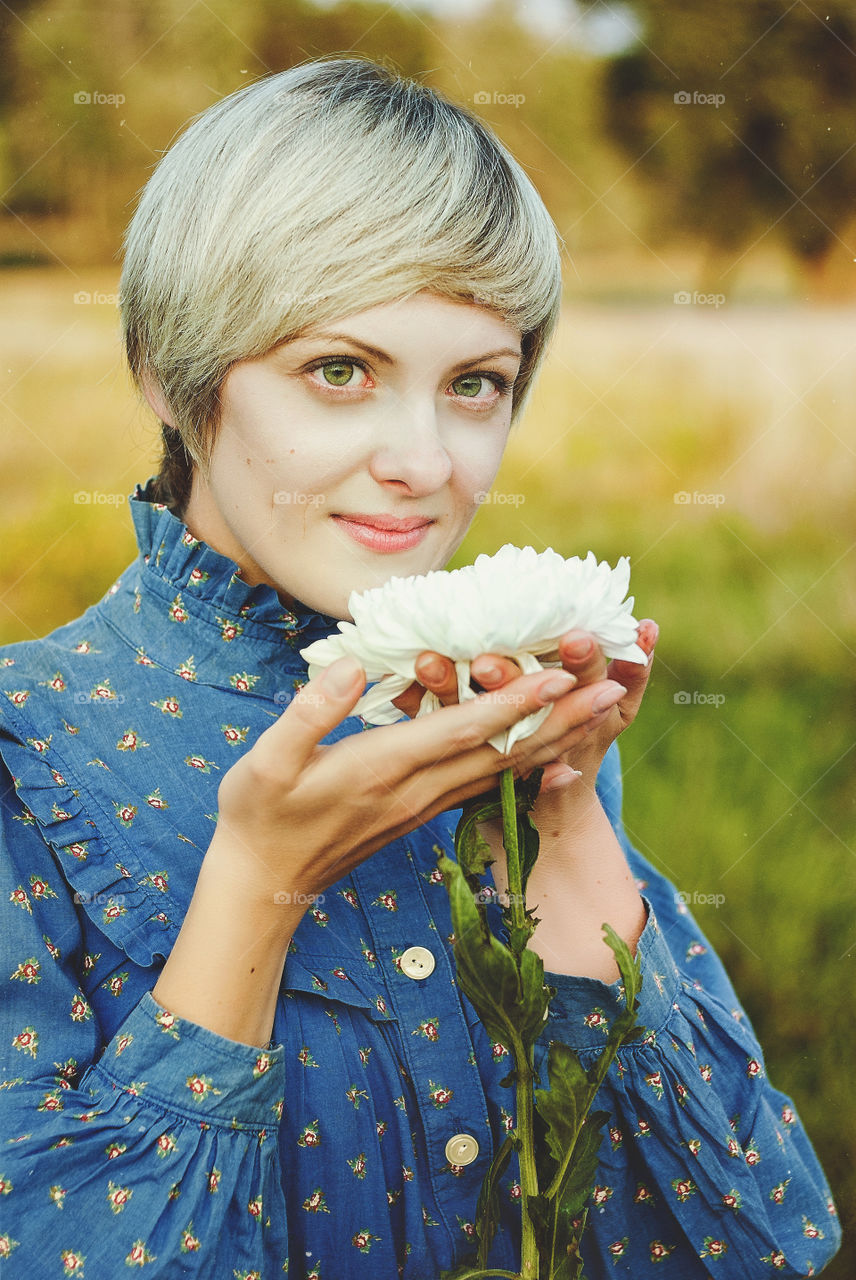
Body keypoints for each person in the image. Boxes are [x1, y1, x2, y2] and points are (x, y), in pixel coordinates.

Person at [0, 56, 839, 1280]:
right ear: (173, 379)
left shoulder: (492, 706)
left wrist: (559, 819)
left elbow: (742, 1241)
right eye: (339, 371)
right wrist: (260, 879)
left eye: (475, 385)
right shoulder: (28, 750)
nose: (425, 460)